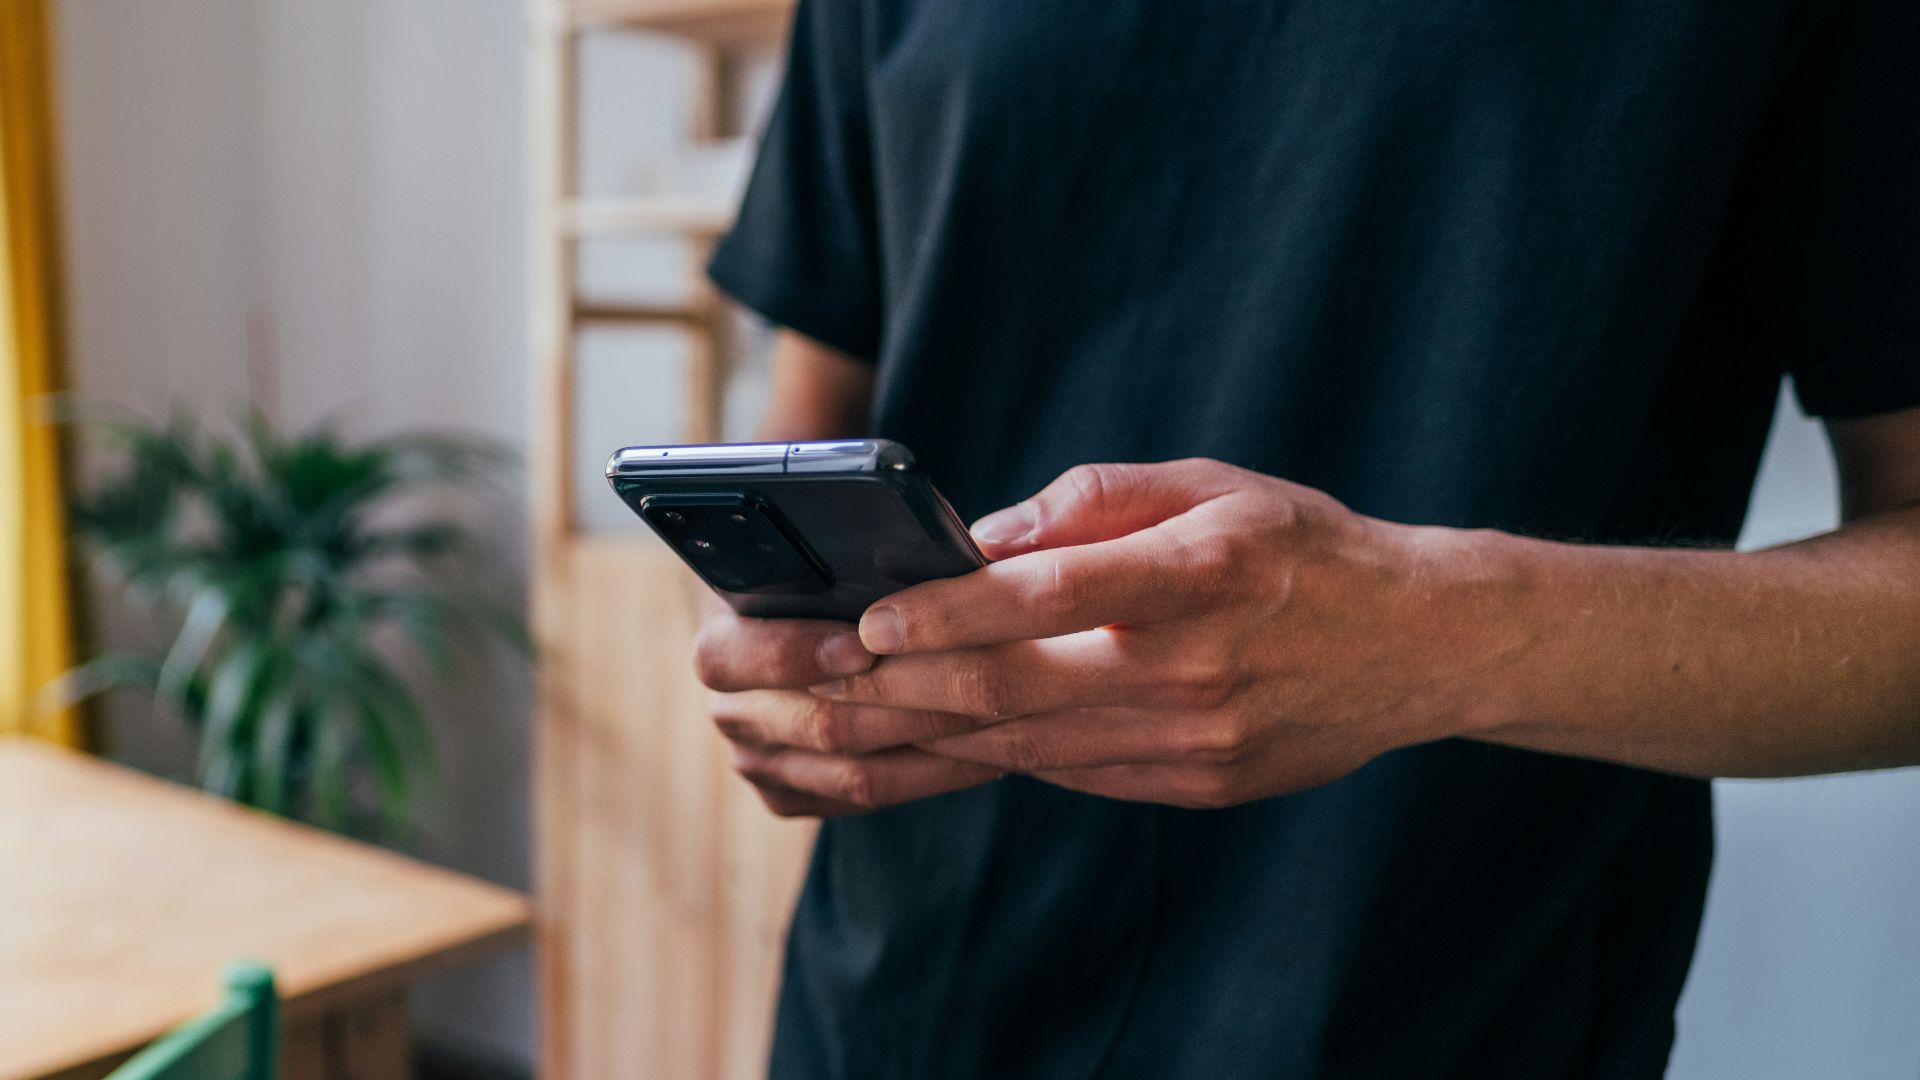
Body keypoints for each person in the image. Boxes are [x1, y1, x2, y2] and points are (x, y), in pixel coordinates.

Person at [692, 1, 1920, 1076]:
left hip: (1448, 1017)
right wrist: (781, 667)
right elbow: (814, 420)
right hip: (895, 1008)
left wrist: (1438, 632)